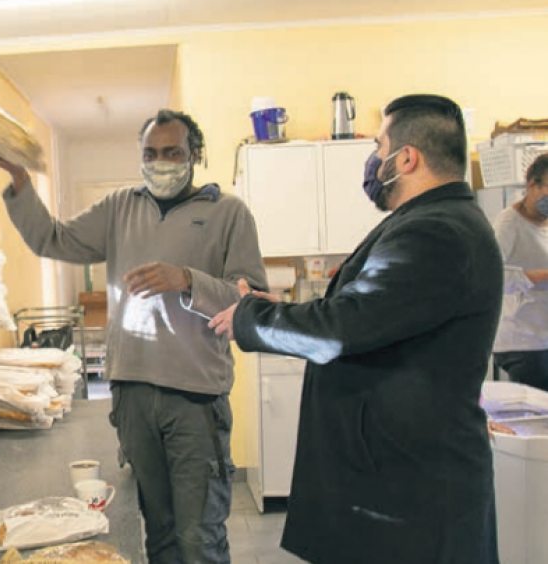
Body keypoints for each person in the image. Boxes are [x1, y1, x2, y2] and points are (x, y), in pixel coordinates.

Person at [208, 94, 502, 564]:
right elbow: (369, 314)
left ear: (406, 158)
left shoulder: (434, 231)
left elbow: (341, 330)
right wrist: (280, 308)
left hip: (406, 488)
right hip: (402, 474)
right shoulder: (434, 222)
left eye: (378, 145)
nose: (372, 160)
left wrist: (250, 318)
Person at [0, 109, 267, 563]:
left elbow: (251, 301)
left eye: (172, 152)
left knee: (199, 537)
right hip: (132, 394)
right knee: (159, 533)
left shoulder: (228, 213)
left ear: (195, 154)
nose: (161, 162)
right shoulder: (120, 208)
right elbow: (52, 239)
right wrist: (17, 177)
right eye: (150, 154)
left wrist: (187, 279)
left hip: (196, 400)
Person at [492, 153, 548, 390]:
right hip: (521, 340)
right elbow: (491, 276)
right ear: (531, 185)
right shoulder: (509, 223)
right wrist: (540, 277)